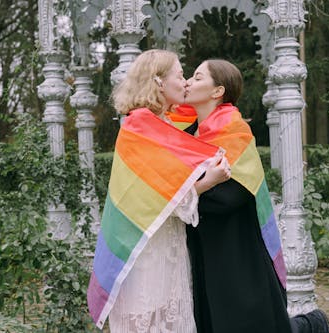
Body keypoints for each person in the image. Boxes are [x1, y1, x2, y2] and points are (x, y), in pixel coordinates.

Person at [184, 59, 329, 333]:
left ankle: (312, 325)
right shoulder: (189, 133)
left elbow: (234, 194)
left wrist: (186, 195)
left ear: (217, 91)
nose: (188, 82)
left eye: (196, 77)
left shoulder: (234, 130)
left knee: (249, 320)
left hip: (235, 242)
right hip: (203, 239)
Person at [86, 50, 231, 332]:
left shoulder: (162, 123)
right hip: (145, 249)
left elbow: (169, 188)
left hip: (167, 243)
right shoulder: (141, 125)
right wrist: (208, 181)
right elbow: (160, 196)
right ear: (158, 82)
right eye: (179, 75)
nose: (186, 82)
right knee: (150, 319)